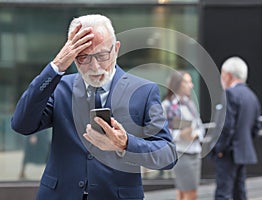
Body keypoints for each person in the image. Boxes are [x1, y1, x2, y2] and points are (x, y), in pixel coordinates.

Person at [11, 14, 177, 200]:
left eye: (102, 55)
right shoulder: (60, 87)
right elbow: (21, 124)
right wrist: (56, 66)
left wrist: (125, 144)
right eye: (83, 57)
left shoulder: (143, 91)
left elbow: (167, 155)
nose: (95, 67)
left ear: (116, 49)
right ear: (72, 57)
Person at [212, 56, 261, 200]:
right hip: (242, 152)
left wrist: (220, 149)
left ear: (228, 75)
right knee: (240, 192)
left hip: (228, 153)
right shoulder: (252, 96)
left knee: (223, 193)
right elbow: (256, 127)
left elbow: (226, 126)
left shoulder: (230, 94)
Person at [162, 70, 205, 200]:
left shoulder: (189, 103)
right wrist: (181, 135)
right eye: (188, 82)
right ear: (179, 84)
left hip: (195, 152)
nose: (191, 85)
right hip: (181, 153)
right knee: (190, 193)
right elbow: (162, 132)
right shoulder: (167, 106)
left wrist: (195, 135)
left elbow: (200, 126)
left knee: (183, 192)